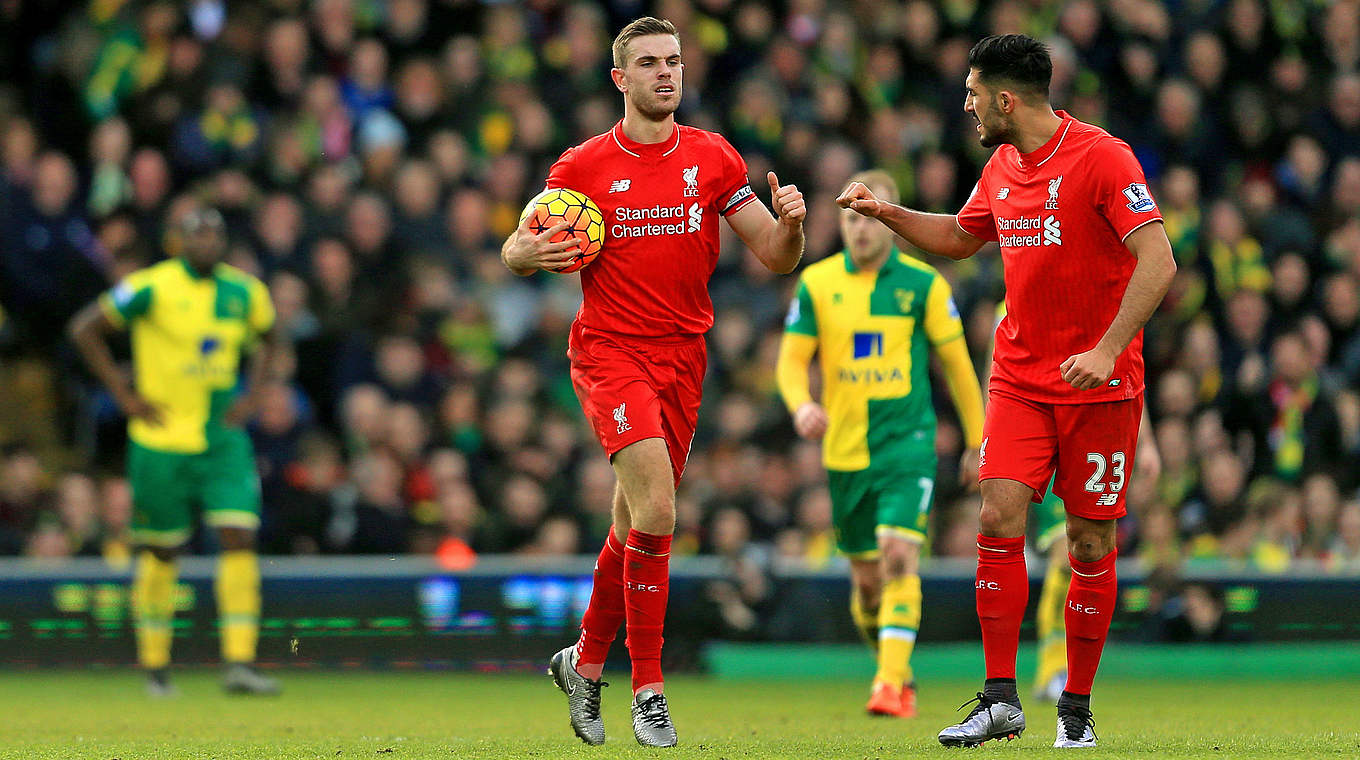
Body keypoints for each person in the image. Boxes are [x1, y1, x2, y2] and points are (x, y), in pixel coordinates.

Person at [837, 34, 1175, 749]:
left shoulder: (1104, 158)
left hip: (1099, 385)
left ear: (1004, 98)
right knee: (997, 514)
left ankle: (1076, 708)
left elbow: (1160, 259)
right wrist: (887, 214)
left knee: (1089, 540)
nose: (966, 105)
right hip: (1020, 377)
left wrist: (1108, 349)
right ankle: (999, 698)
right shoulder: (999, 167)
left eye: (971, 93)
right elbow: (963, 237)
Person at [500, 16, 805, 748]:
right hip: (609, 353)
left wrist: (793, 226)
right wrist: (525, 255)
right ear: (621, 79)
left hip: (684, 359)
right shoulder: (581, 168)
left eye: (673, 60)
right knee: (661, 512)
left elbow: (774, 254)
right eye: (649, 63)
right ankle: (649, 691)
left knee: (630, 524)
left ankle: (583, 661)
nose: (666, 73)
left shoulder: (714, 158)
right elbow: (518, 241)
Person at [776, 169, 984, 719]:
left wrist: (976, 438)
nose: (859, 229)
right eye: (849, 218)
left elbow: (958, 366)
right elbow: (792, 362)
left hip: (906, 442)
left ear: (888, 223)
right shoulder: (818, 284)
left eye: (868, 217)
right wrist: (802, 405)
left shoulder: (924, 286)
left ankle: (888, 685)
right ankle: (896, 669)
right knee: (868, 585)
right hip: (845, 451)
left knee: (899, 555)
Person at [68, 207, 281, 697]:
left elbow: (272, 337)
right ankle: (156, 666)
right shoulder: (150, 286)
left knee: (239, 535)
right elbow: (84, 328)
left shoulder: (245, 291)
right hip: (161, 437)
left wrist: (254, 395)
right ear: (178, 240)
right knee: (162, 548)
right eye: (197, 233)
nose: (206, 241)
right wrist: (123, 395)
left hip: (221, 435)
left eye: (214, 233)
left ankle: (240, 662)